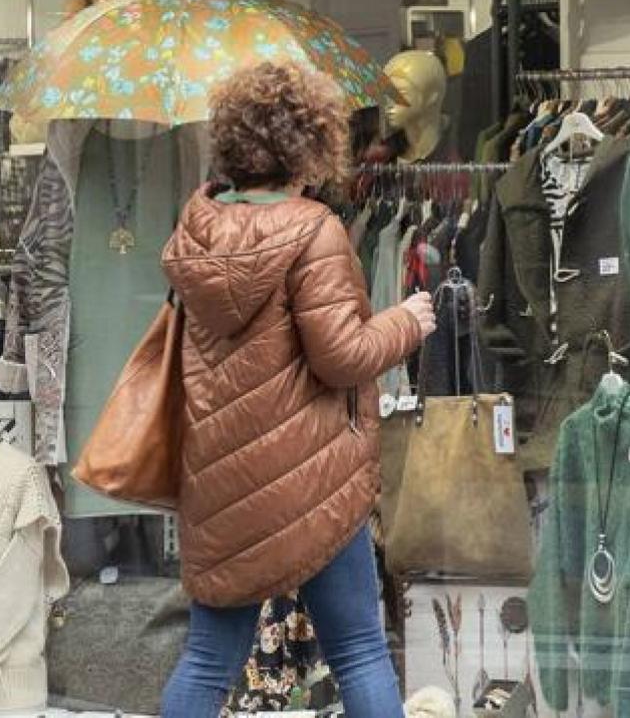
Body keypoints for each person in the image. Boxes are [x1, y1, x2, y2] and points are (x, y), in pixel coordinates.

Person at [159, 61, 436, 718]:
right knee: (361, 651)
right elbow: (341, 358)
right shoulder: (313, 230)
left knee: (205, 662)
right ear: (310, 141)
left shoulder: (196, 231)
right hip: (314, 478)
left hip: (223, 482)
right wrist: (406, 321)